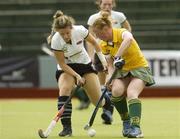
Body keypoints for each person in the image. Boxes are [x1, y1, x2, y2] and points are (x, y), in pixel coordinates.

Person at [48, 10, 112, 137]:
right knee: (65, 89)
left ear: (71, 28)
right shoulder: (56, 40)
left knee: (98, 102)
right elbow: (62, 65)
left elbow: (94, 43)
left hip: (85, 65)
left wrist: (104, 61)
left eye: (67, 32)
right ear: (57, 32)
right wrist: (77, 76)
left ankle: (109, 104)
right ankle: (67, 128)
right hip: (67, 67)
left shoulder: (80, 30)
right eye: (62, 34)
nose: (66, 36)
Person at [92, 13, 155, 138]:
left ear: (106, 29)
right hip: (122, 72)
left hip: (139, 68)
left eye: (98, 34)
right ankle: (126, 122)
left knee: (132, 93)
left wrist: (118, 56)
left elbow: (129, 39)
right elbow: (110, 64)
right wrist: (109, 77)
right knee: (116, 91)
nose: (97, 37)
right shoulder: (103, 44)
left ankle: (136, 128)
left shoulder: (121, 32)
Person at [86, 0, 132, 125]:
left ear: (113, 4)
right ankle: (108, 110)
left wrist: (126, 46)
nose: (107, 6)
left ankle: (108, 112)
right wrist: (91, 56)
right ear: (99, 4)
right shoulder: (93, 18)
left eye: (109, 4)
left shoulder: (120, 16)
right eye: (104, 4)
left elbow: (128, 30)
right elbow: (89, 38)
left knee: (112, 81)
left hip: (117, 55)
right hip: (101, 53)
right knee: (103, 83)